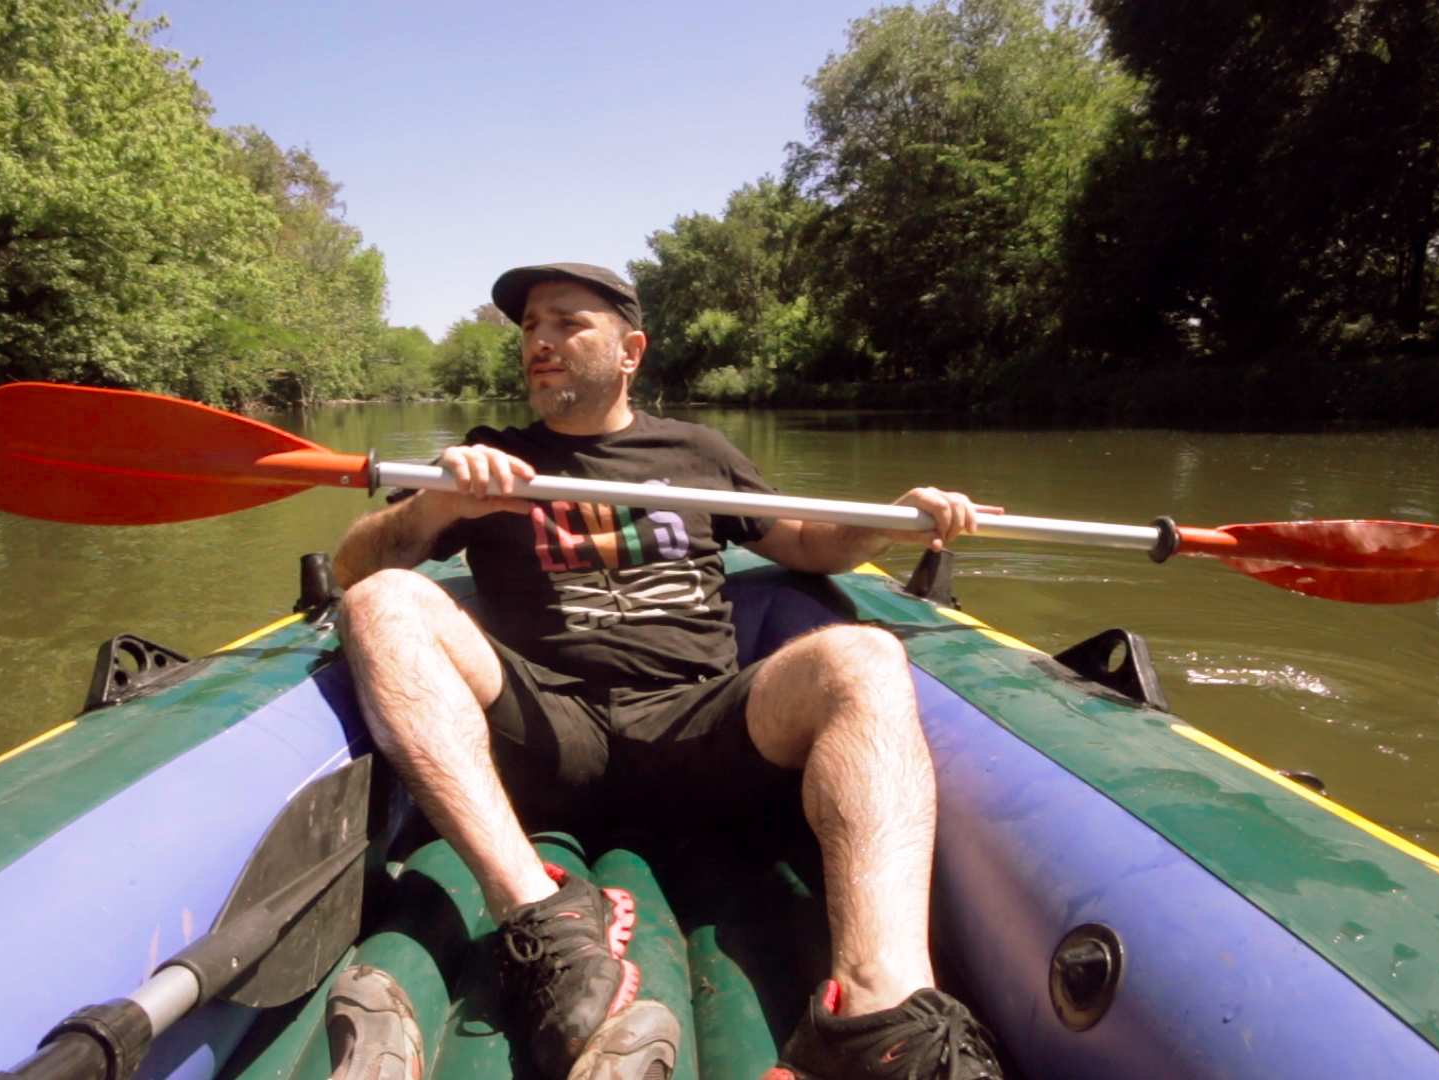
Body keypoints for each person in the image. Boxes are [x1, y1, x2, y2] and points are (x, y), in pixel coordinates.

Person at [332, 263, 1006, 1080]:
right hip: (548, 729)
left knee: (862, 654)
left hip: (697, 725)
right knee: (384, 605)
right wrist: (437, 505)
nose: (539, 341)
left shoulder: (697, 452)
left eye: (566, 323)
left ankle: (875, 1014)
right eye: (530, 328)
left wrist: (894, 524)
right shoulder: (489, 459)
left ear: (630, 351)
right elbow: (354, 571)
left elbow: (799, 542)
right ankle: (534, 917)